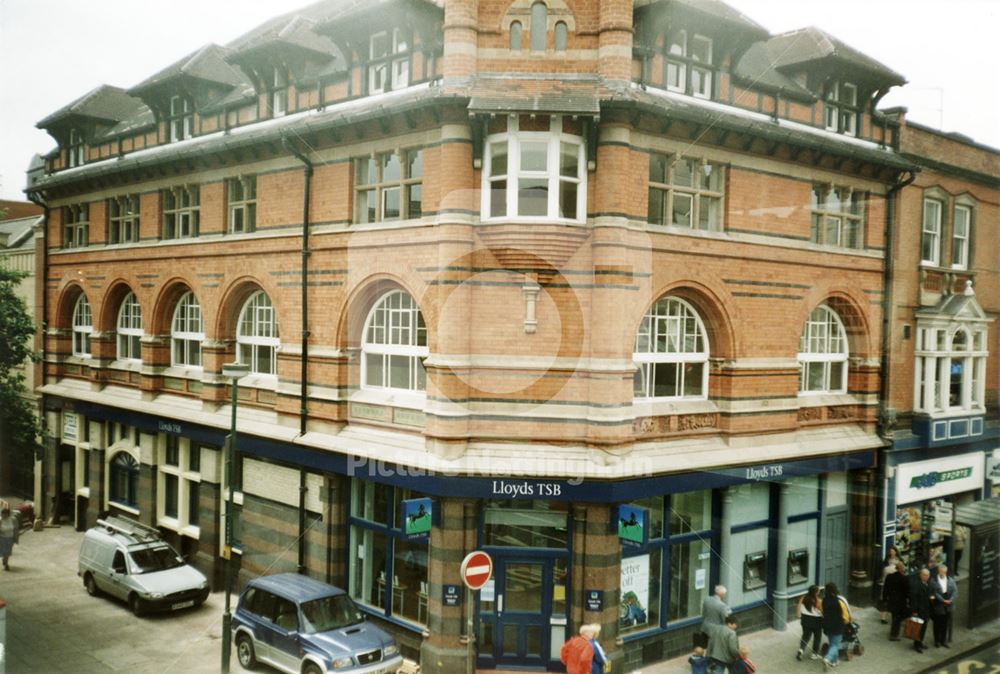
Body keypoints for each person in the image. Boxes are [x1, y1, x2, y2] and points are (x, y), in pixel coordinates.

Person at [821, 582, 850, 670]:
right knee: (835, 645)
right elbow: (845, 616)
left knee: (832, 643)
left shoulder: (824, 600)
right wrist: (847, 622)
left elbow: (823, 612)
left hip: (827, 625)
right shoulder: (839, 601)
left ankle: (834, 661)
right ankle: (828, 658)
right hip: (838, 626)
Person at [931, 564, 957, 648]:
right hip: (939, 604)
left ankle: (943, 640)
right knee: (937, 623)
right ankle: (937, 641)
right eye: (941, 572)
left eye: (944, 572)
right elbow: (935, 593)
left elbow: (955, 591)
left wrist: (951, 599)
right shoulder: (934, 581)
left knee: (945, 623)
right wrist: (943, 600)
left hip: (948, 604)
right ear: (938, 571)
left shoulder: (950, 580)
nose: (943, 574)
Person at [884, 561, 910, 640]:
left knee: (895, 617)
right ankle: (894, 635)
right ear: (902, 569)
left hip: (892, 600)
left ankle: (894, 632)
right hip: (900, 601)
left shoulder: (890, 577)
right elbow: (907, 591)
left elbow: (886, 588)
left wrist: (885, 598)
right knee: (898, 618)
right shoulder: (904, 578)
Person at [909, 568, 933, 653]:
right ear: (921, 575)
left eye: (928, 575)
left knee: (924, 627)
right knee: (918, 628)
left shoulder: (929, 583)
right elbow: (913, 599)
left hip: (926, 610)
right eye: (925, 575)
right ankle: (916, 644)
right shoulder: (916, 585)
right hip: (919, 610)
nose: (927, 577)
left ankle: (920, 642)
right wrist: (914, 611)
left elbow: (930, 593)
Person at [796, 584, 823, 660]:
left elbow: (798, 607)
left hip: (805, 620)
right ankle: (814, 654)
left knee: (805, 636)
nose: (819, 592)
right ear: (816, 592)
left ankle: (801, 650)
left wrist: (799, 615)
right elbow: (822, 611)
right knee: (817, 637)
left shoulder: (804, 598)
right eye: (818, 591)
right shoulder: (818, 601)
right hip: (817, 621)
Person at [700, 585, 731, 649]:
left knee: (703, 647)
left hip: (705, 627)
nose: (725, 596)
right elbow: (724, 620)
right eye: (724, 594)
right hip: (715, 631)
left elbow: (704, 614)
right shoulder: (722, 606)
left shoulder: (706, 599)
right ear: (722, 594)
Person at [879, 546, 900, 623]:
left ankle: (888, 615)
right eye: (890, 551)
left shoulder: (899, 560)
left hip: (894, 584)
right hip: (887, 583)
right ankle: (883, 617)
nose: (891, 552)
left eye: (892, 551)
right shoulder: (886, 562)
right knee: (886, 600)